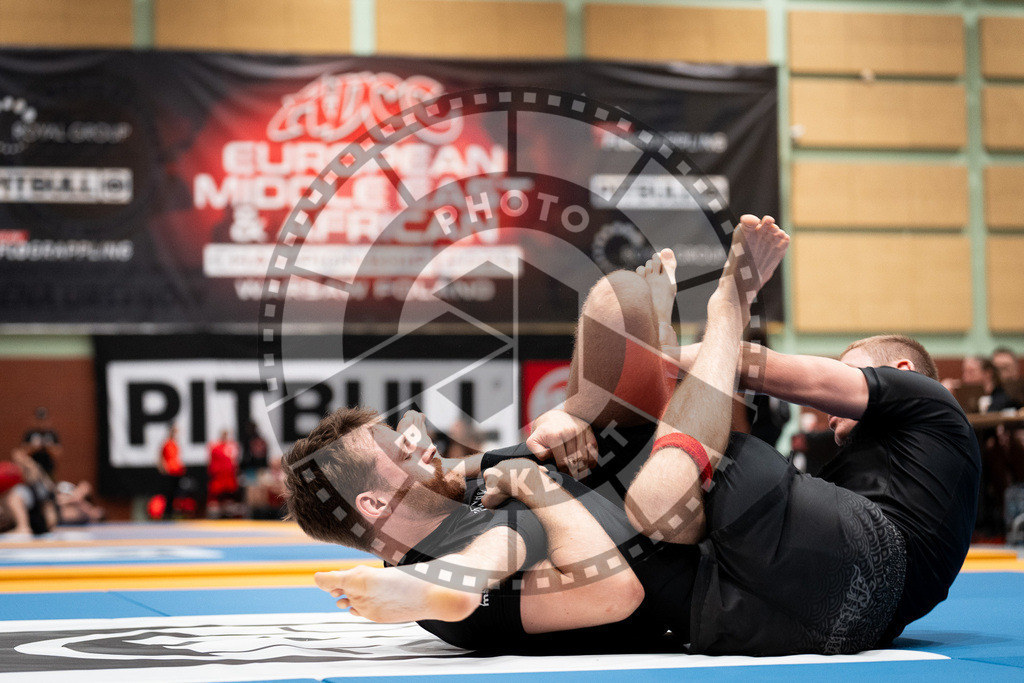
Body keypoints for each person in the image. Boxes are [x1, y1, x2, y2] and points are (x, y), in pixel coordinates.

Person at [287, 216, 907, 655]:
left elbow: (466, 458)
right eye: (395, 452)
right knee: (500, 550)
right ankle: (726, 310)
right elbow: (612, 592)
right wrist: (527, 483)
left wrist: (559, 424)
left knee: (620, 299)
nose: (413, 442)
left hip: (678, 489)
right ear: (372, 504)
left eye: (403, 434)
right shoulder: (473, 580)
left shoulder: (454, 496)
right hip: (716, 542)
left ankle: (657, 338)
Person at [665, 339, 980, 643]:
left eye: (851, 371)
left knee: (713, 450)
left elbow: (758, 366)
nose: (829, 413)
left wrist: (653, 356)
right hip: (856, 628)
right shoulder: (879, 468)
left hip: (876, 561)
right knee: (662, 573)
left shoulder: (930, 398)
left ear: (902, 370)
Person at [22, 407, 62, 480]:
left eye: (43, 420)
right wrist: (34, 447)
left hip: (48, 469)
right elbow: (22, 452)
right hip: (32, 470)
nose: (41, 423)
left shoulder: (52, 434)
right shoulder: (30, 434)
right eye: (39, 420)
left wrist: (48, 447)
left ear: (48, 420)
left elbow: (58, 453)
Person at [158, 424, 186, 520]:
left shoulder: (175, 443)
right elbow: (161, 457)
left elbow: (177, 457)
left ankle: (174, 511)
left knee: (176, 493)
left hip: (177, 470)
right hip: (170, 471)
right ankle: (167, 512)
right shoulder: (167, 443)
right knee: (169, 493)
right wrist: (162, 467)